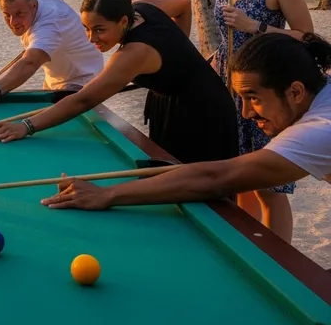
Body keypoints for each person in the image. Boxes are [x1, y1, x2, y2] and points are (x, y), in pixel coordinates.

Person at [41, 32, 331, 212]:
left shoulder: (319, 129)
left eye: (253, 98)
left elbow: (217, 178)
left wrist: (109, 194)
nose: (245, 113)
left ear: (295, 92)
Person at [0, 0, 239, 165]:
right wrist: (174, 59)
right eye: (85, 28)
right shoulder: (142, 9)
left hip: (203, 114)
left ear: (124, 22)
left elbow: (83, 99)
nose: (91, 38)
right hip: (172, 100)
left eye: (99, 29)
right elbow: (183, 5)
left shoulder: (133, 54)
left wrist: (26, 126)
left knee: (194, 191)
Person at [206, 0, 313, 243]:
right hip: (227, 85)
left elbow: (309, 38)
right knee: (239, 178)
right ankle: (250, 249)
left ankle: (279, 262)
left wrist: (256, 26)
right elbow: (225, 36)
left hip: (265, 90)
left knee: (269, 187)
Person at [0, 0, 103, 109]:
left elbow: (30, 63)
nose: (13, 22)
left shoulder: (49, 27)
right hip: (56, 76)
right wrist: (63, 35)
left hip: (82, 78)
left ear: (34, 5)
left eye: (19, 14)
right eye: (7, 14)